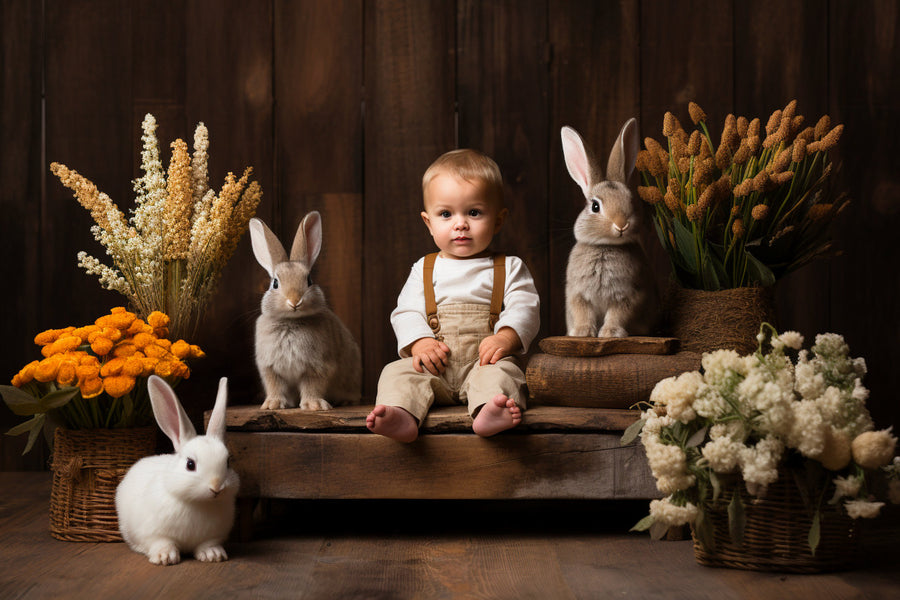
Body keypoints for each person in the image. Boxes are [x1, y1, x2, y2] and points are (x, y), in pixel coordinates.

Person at [366, 149, 540, 442]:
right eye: (446, 214)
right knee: (397, 372)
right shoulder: (424, 268)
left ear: (498, 220)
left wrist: (505, 337)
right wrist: (420, 342)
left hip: (483, 363)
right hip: (436, 369)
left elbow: (525, 307)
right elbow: (406, 311)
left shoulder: (509, 267)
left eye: (474, 212)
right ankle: (402, 414)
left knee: (504, 374)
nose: (460, 224)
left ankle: (489, 408)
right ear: (428, 222)